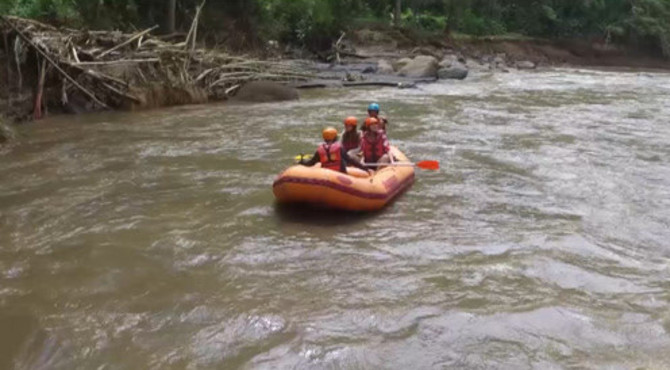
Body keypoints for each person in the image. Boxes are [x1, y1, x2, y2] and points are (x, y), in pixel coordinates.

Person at [299, 127, 373, 175]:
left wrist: (302, 162)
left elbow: (311, 163)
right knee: (343, 161)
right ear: (335, 137)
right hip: (340, 174)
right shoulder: (339, 148)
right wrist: (365, 168)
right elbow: (350, 160)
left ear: (324, 138)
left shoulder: (320, 150)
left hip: (325, 175)